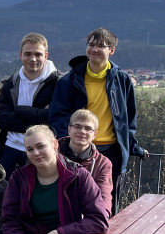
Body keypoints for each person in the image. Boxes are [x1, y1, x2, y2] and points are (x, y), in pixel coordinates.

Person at [49, 27, 148, 212]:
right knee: (72, 201)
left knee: (109, 204)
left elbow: (129, 119)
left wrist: (133, 146)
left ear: (112, 50)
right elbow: (58, 116)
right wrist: (70, 142)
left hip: (112, 150)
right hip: (78, 151)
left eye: (101, 45)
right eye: (91, 44)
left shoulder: (122, 80)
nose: (94, 49)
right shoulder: (69, 81)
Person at [0, 33, 60, 178]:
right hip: (9, 149)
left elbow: (53, 118)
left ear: (46, 55)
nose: (33, 59)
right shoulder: (11, 84)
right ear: (20, 55)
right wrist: (36, 116)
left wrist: (18, 111)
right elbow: (2, 119)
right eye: (28, 54)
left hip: (41, 151)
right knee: (5, 196)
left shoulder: (58, 84)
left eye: (38, 54)